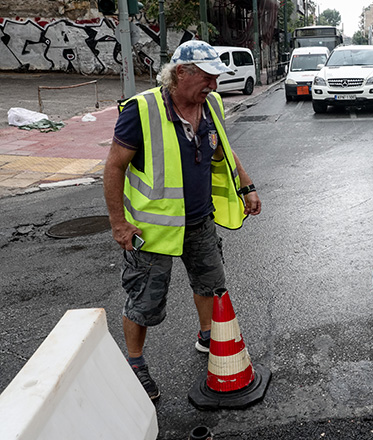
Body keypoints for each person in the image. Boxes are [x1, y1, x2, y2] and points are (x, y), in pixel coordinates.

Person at [103, 40, 262, 400]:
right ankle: (135, 363)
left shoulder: (211, 105)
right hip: (151, 230)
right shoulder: (140, 110)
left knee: (211, 284)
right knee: (144, 301)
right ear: (180, 74)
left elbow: (223, 147)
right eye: (207, 78)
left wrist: (247, 185)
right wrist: (118, 223)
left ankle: (209, 336)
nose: (214, 86)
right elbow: (114, 166)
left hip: (200, 220)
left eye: (216, 79)